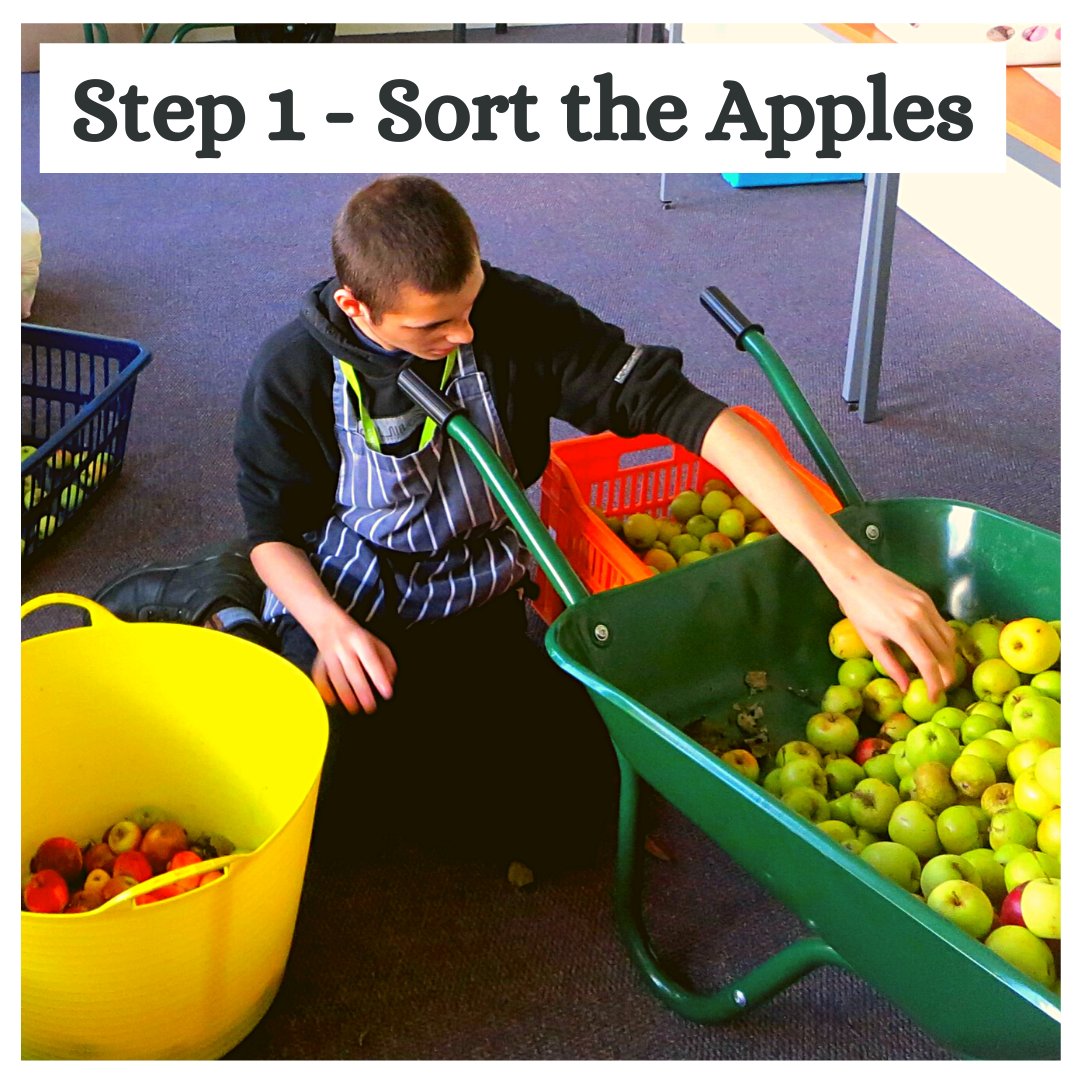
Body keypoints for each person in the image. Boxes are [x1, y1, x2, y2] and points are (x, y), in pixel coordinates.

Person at [96, 175, 956, 873]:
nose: (466, 333)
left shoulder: (515, 315)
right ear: (359, 309)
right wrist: (326, 628)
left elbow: (696, 415)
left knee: (566, 810)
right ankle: (215, 596)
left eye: (470, 301)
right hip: (345, 597)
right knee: (321, 810)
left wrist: (854, 571)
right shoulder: (292, 370)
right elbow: (275, 527)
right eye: (435, 327)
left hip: (477, 589)